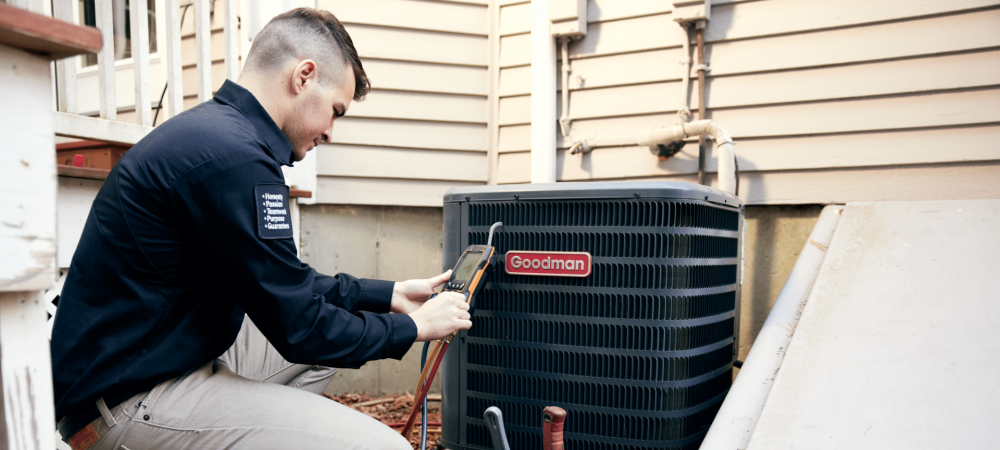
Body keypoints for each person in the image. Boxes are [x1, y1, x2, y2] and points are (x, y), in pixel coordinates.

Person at [49, 8, 470, 450]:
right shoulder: (235, 159)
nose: (330, 132)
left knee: (326, 357)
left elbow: (289, 287)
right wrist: (414, 327)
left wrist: (390, 295)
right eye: (335, 111)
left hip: (155, 360)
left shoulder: (219, 135)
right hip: (128, 403)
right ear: (304, 76)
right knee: (387, 448)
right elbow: (300, 326)